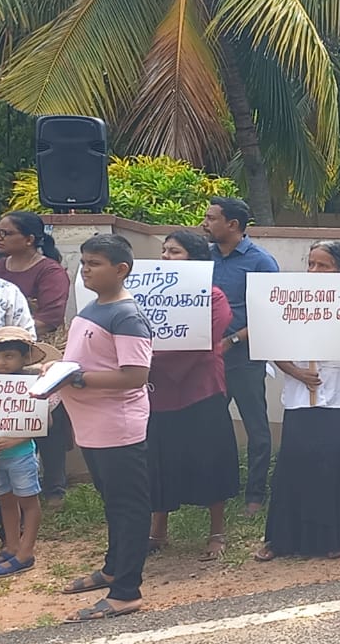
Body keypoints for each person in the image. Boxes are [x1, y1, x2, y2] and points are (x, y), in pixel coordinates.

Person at [49, 234, 153, 620]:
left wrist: (75, 380)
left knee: (128, 508)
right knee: (113, 503)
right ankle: (113, 568)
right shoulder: (93, 308)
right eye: (84, 262)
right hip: (92, 426)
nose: (85, 269)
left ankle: (126, 591)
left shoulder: (126, 316)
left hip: (117, 428)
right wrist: (57, 369)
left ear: (121, 270)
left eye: (94, 263)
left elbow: (134, 376)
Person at [256, 242, 340, 561]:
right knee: (295, 464)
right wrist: (296, 371)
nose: (314, 271)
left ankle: (336, 536)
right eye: (311, 264)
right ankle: (282, 539)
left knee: (335, 466)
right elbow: (272, 346)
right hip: (301, 398)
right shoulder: (291, 303)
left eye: (323, 265)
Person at [146, 231, 239, 562]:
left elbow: (205, 338)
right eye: (164, 251)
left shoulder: (213, 298)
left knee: (209, 458)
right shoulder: (145, 296)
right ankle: (158, 529)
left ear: (196, 260)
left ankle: (217, 531)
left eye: (175, 251)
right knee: (159, 461)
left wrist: (146, 365)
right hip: (157, 392)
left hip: (200, 389)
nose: (166, 257)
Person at [203, 196, 280, 516]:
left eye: (211, 219)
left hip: (245, 358)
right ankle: (219, 490)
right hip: (207, 361)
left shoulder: (261, 261)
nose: (204, 224)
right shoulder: (202, 259)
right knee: (209, 427)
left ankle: (255, 494)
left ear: (232, 225)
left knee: (257, 430)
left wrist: (233, 340)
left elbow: (270, 312)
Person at [0, 211, 71, 504]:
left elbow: (49, 316)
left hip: (40, 352)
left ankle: (54, 487)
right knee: (5, 415)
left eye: (6, 233)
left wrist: (7, 330)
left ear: (29, 239)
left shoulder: (49, 271)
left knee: (47, 417)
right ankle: (6, 486)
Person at [0, 326, 60, 577]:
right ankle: (11, 546)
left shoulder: (32, 385)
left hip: (20, 455)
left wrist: (13, 440)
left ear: (23, 357)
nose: (0, 362)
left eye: (8, 356)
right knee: (6, 502)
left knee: (28, 502)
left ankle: (26, 551)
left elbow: (45, 423)